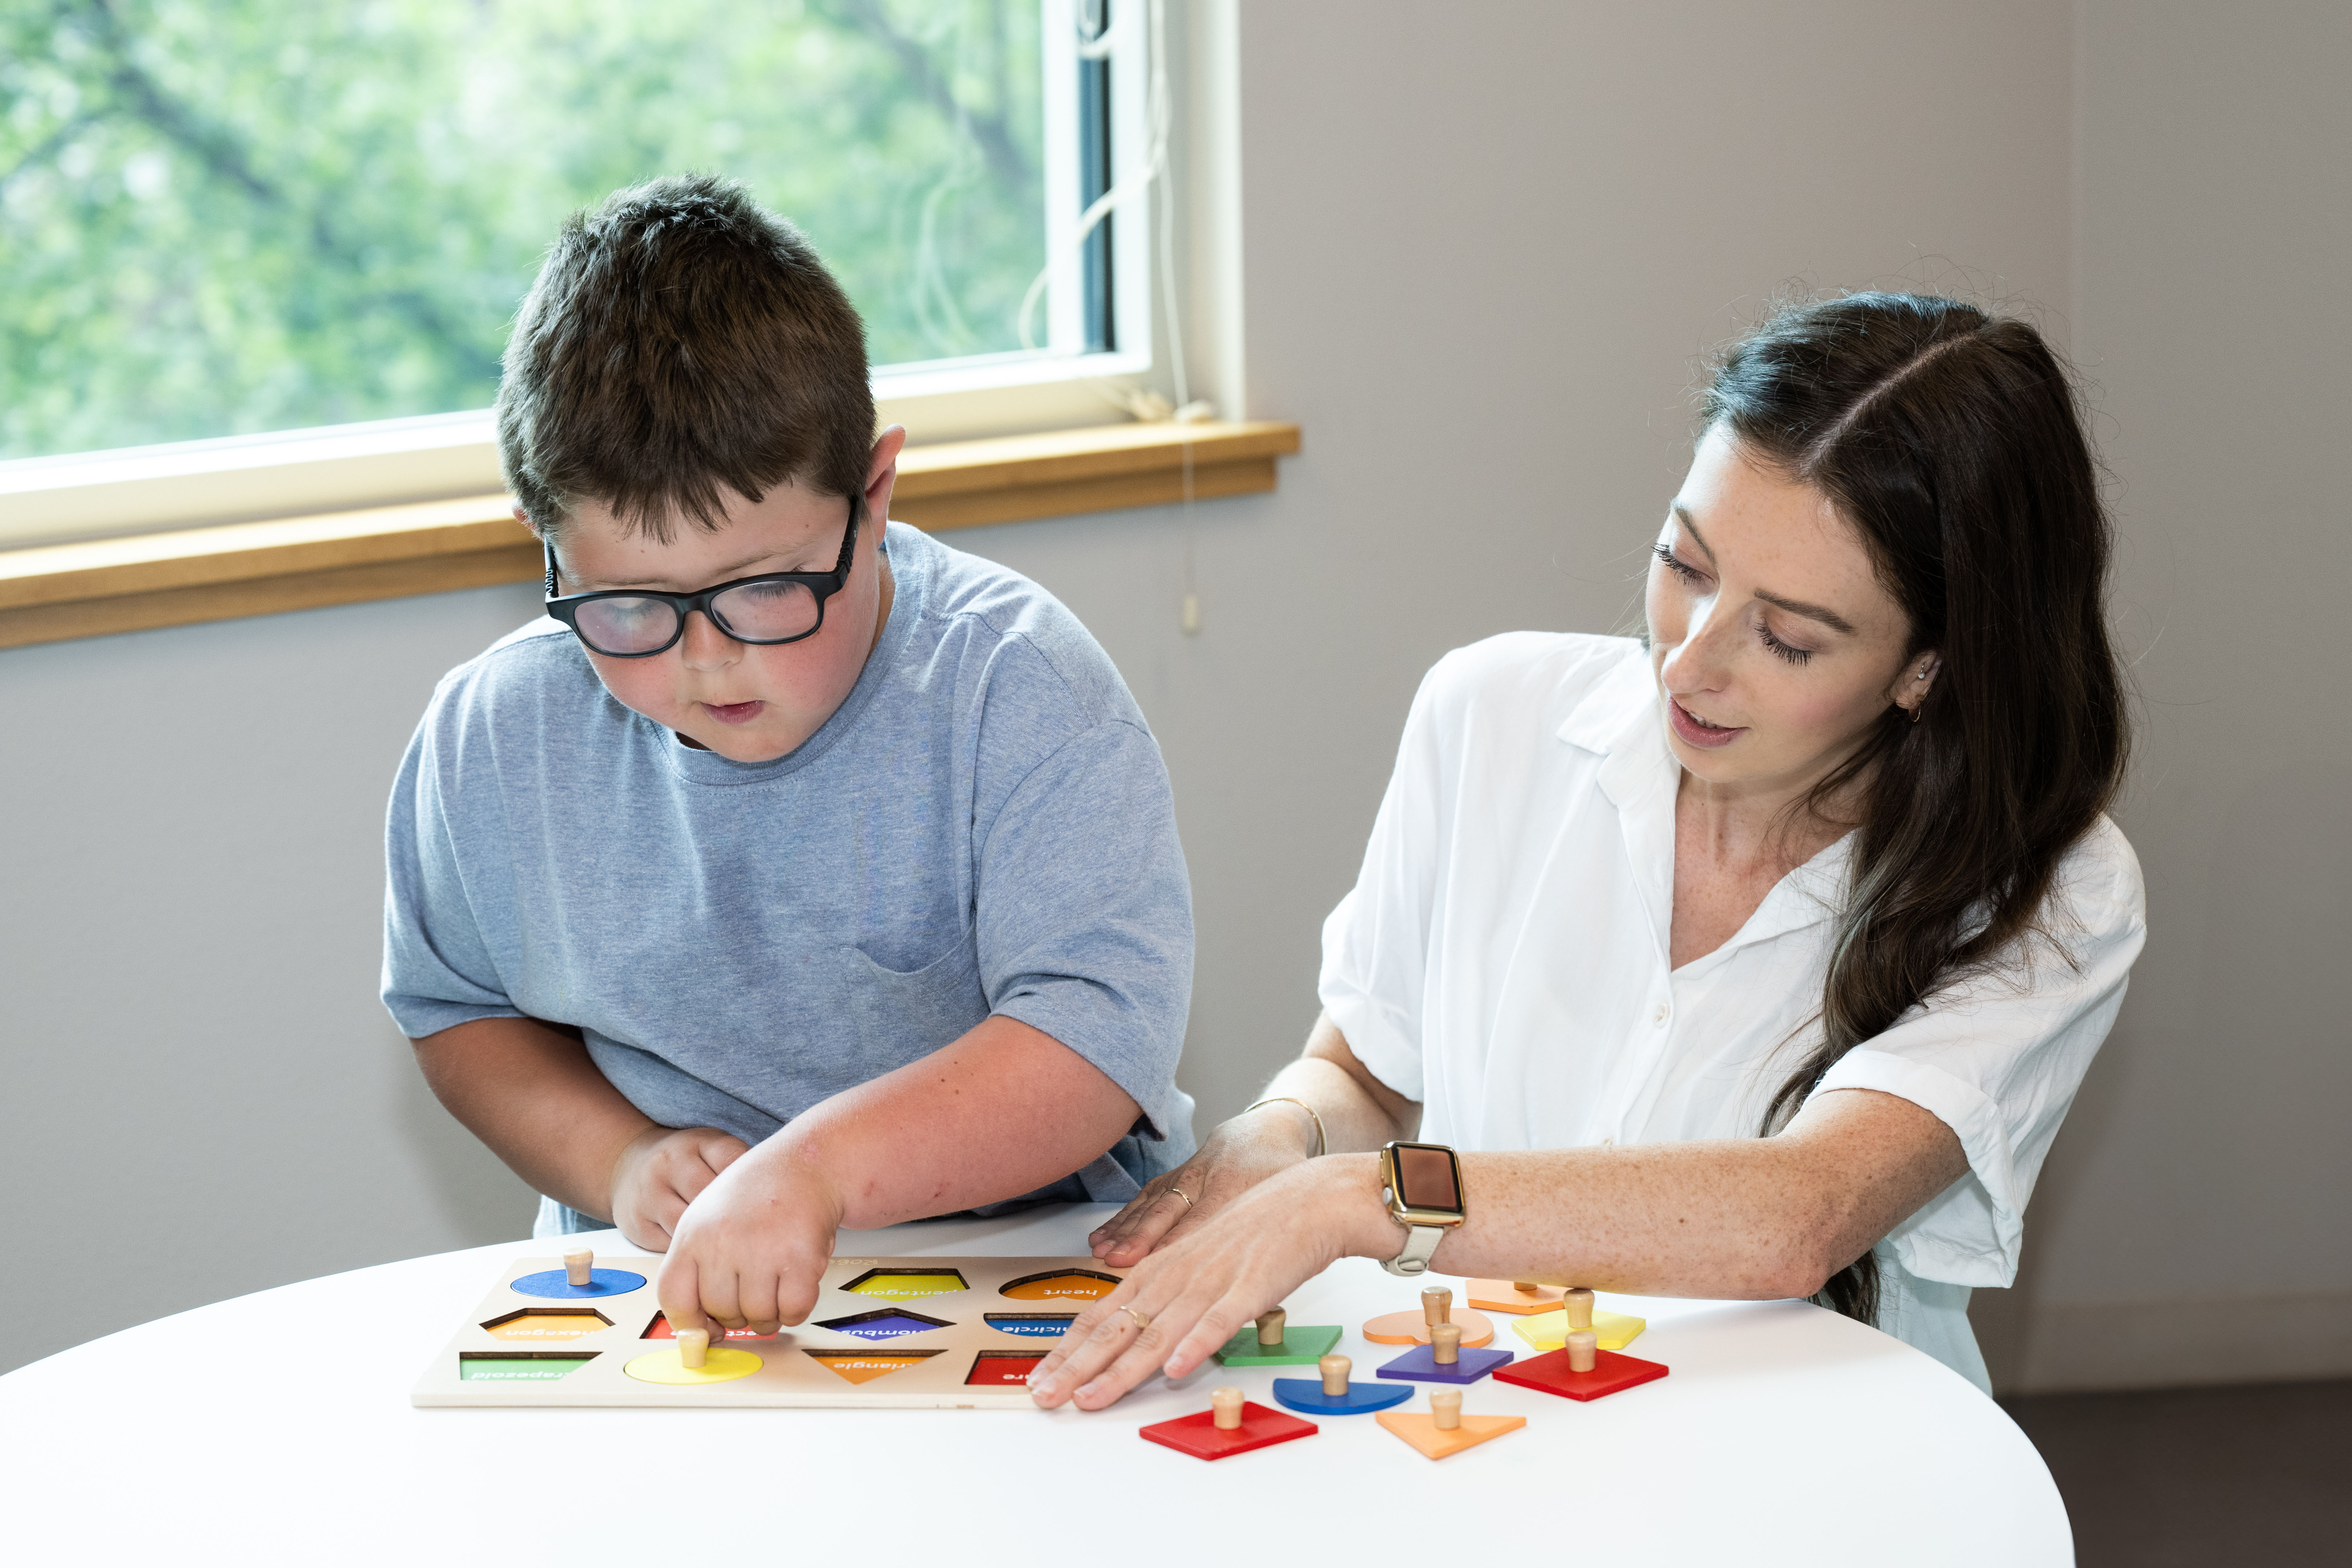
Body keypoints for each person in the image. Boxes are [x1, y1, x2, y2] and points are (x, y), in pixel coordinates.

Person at [1028, 292, 2143, 1409]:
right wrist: (1282, 1135)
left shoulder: (2051, 890)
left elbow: (1798, 1213)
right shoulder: (1487, 711)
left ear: (1926, 669)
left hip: (1811, 1463)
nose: (1689, 662)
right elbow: (1365, 1071)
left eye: (1787, 638)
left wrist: (1355, 1198)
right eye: (1685, 563)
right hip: (1484, 1428)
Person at [381, 175, 1195, 1343]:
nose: (708, 662)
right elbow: (458, 1013)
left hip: (1016, 1279)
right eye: (627, 607)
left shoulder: (1018, 690)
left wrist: (814, 1171)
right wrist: (620, 1160)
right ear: (545, 544)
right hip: (663, 1297)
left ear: (873, 493)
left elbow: (1087, 1046)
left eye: (766, 588)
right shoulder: (492, 731)